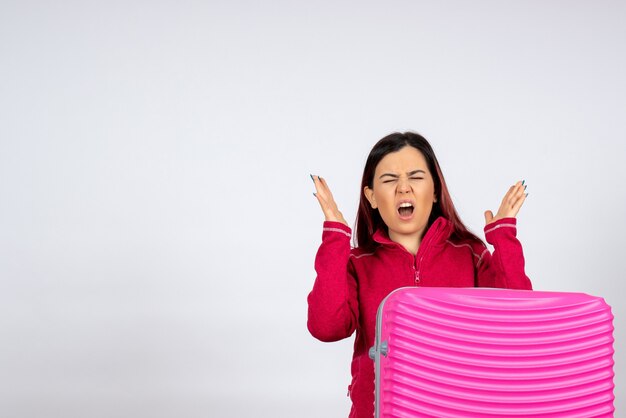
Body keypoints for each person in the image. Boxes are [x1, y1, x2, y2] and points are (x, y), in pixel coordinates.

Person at [307, 132, 532, 418]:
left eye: (415, 177)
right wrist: (336, 239)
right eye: (389, 180)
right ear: (372, 197)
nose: (404, 189)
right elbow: (326, 327)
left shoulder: (469, 254)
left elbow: (517, 322)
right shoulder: (358, 264)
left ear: (435, 191)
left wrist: (503, 239)